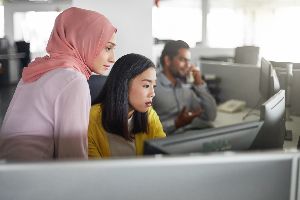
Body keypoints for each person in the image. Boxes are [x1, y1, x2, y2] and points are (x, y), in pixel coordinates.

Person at [0, 7, 117, 161]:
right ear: (84, 41)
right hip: (34, 178)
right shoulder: (73, 80)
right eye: (107, 48)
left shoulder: (40, 70)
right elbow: (72, 159)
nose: (113, 58)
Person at [88, 53, 166, 158]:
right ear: (124, 84)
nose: (152, 93)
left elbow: (162, 156)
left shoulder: (150, 115)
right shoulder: (91, 118)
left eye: (154, 86)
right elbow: (94, 170)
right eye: (146, 85)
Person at [152, 40, 217, 135]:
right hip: (165, 142)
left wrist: (199, 84)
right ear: (167, 61)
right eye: (182, 60)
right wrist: (176, 124)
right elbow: (145, 129)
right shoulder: (152, 87)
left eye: (188, 61)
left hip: (188, 137)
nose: (188, 65)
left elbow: (210, 116)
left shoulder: (186, 88)